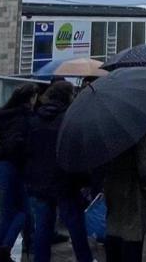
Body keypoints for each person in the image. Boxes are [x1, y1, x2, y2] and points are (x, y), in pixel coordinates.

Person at [24, 81, 94, 262]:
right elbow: (77, 153)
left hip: (41, 183)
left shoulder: (34, 120)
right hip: (66, 183)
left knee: (43, 230)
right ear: (67, 97)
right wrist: (85, 181)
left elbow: (28, 152)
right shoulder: (69, 120)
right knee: (76, 228)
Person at [0, 84, 38, 262]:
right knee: (23, 211)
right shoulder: (24, 118)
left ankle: (0, 253)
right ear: (30, 98)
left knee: (6, 213)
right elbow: (18, 146)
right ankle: (5, 248)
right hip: (14, 168)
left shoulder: (4, 114)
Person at [103, 136, 146, 262]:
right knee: (132, 238)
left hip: (111, 191)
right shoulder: (134, 134)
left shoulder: (101, 136)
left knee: (113, 234)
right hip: (132, 193)